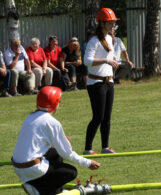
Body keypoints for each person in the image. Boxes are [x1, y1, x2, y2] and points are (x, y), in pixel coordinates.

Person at [12, 86, 100, 195]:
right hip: (32, 168)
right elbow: (67, 153)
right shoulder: (51, 122)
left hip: (18, 166)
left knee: (56, 154)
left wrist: (56, 142)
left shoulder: (30, 117)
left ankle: (54, 190)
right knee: (71, 172)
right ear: (55, 103)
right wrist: (88, 163)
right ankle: (38, 188)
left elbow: (37, 142)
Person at [83, 8, 119, 155]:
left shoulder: (110, 38)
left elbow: (110, 59)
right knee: (98, 117)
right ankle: (87, 149)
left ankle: (105, 147)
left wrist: (116, 63)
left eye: (113, 22)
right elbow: (87, 61)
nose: (112, 24)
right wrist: (106, 60)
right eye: (110, 22)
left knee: (107, 117)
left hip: (109, 82)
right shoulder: (94, 41)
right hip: (96, 83)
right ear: (102, 23)